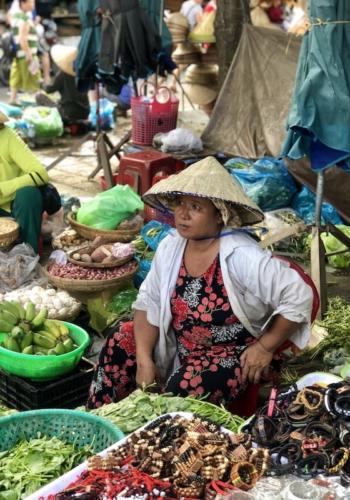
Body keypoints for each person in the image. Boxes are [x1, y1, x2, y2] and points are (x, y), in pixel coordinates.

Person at [87, 157, 314, 409]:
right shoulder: (171, 245)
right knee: (120, 340)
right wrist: (144, 360)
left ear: (220, 215)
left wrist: (265, 347)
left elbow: (299, 295)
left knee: (182, 391)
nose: (182, 214)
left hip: (231, 353)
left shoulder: (241, 255)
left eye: (196, 207)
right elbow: (148, 301)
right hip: (178, 344)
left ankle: (152, 439)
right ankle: (101, 422)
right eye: (181, 204)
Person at [0, 110, 59, 253]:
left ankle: (28, 255)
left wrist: (4, 188)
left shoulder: (8, 137)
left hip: (14, 204)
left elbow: (41, 174)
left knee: (28, 195)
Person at [36, 44, 90, 125]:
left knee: (39, 96)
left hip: (68, 114)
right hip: (85, 113)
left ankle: (65, 122)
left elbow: (49, 89)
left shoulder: (64, 74)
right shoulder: (83, 73)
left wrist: (41, 84)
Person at [9, 0, 41, 105]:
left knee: (16, 80)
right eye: (30, 2)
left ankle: (13, 101)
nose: (33, 5)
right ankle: (36, 105)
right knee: (34, 82)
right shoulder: (25, 19)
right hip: (28, 55)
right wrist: (29, 56)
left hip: (18, 55)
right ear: (23, 3)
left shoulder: (16, 17)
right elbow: (23, 39)